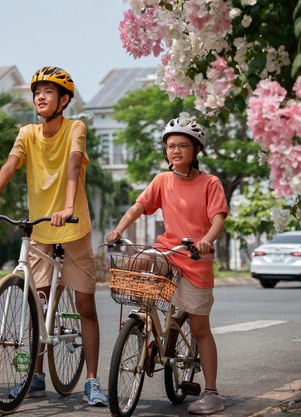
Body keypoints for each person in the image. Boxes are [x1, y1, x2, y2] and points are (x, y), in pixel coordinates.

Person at [0, 66, 108, 406]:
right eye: (37, 92)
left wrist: (67, 206)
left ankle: (92, 381)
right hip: (39, 227)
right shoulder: (27, 133)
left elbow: (74, 164)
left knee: (84, 305)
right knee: (39, 301)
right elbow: (9, 166)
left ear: (64, 100)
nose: (40, 96)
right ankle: (35, 375)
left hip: (73, 225)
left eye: (48, 92)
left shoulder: (75, 127)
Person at [105, 113, 227, 415]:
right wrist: (119, 229)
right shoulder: (162, 180)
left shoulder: (210, 183)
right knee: (139, 260)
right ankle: (144, 322)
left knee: (199, 327)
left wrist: (206, 240)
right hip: (168, 252)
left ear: (196, 150)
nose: (175, 151)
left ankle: (212, 393)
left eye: (183, 146)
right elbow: (139, 206)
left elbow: (218, 219)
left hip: (196, 259)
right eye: (171, 146)